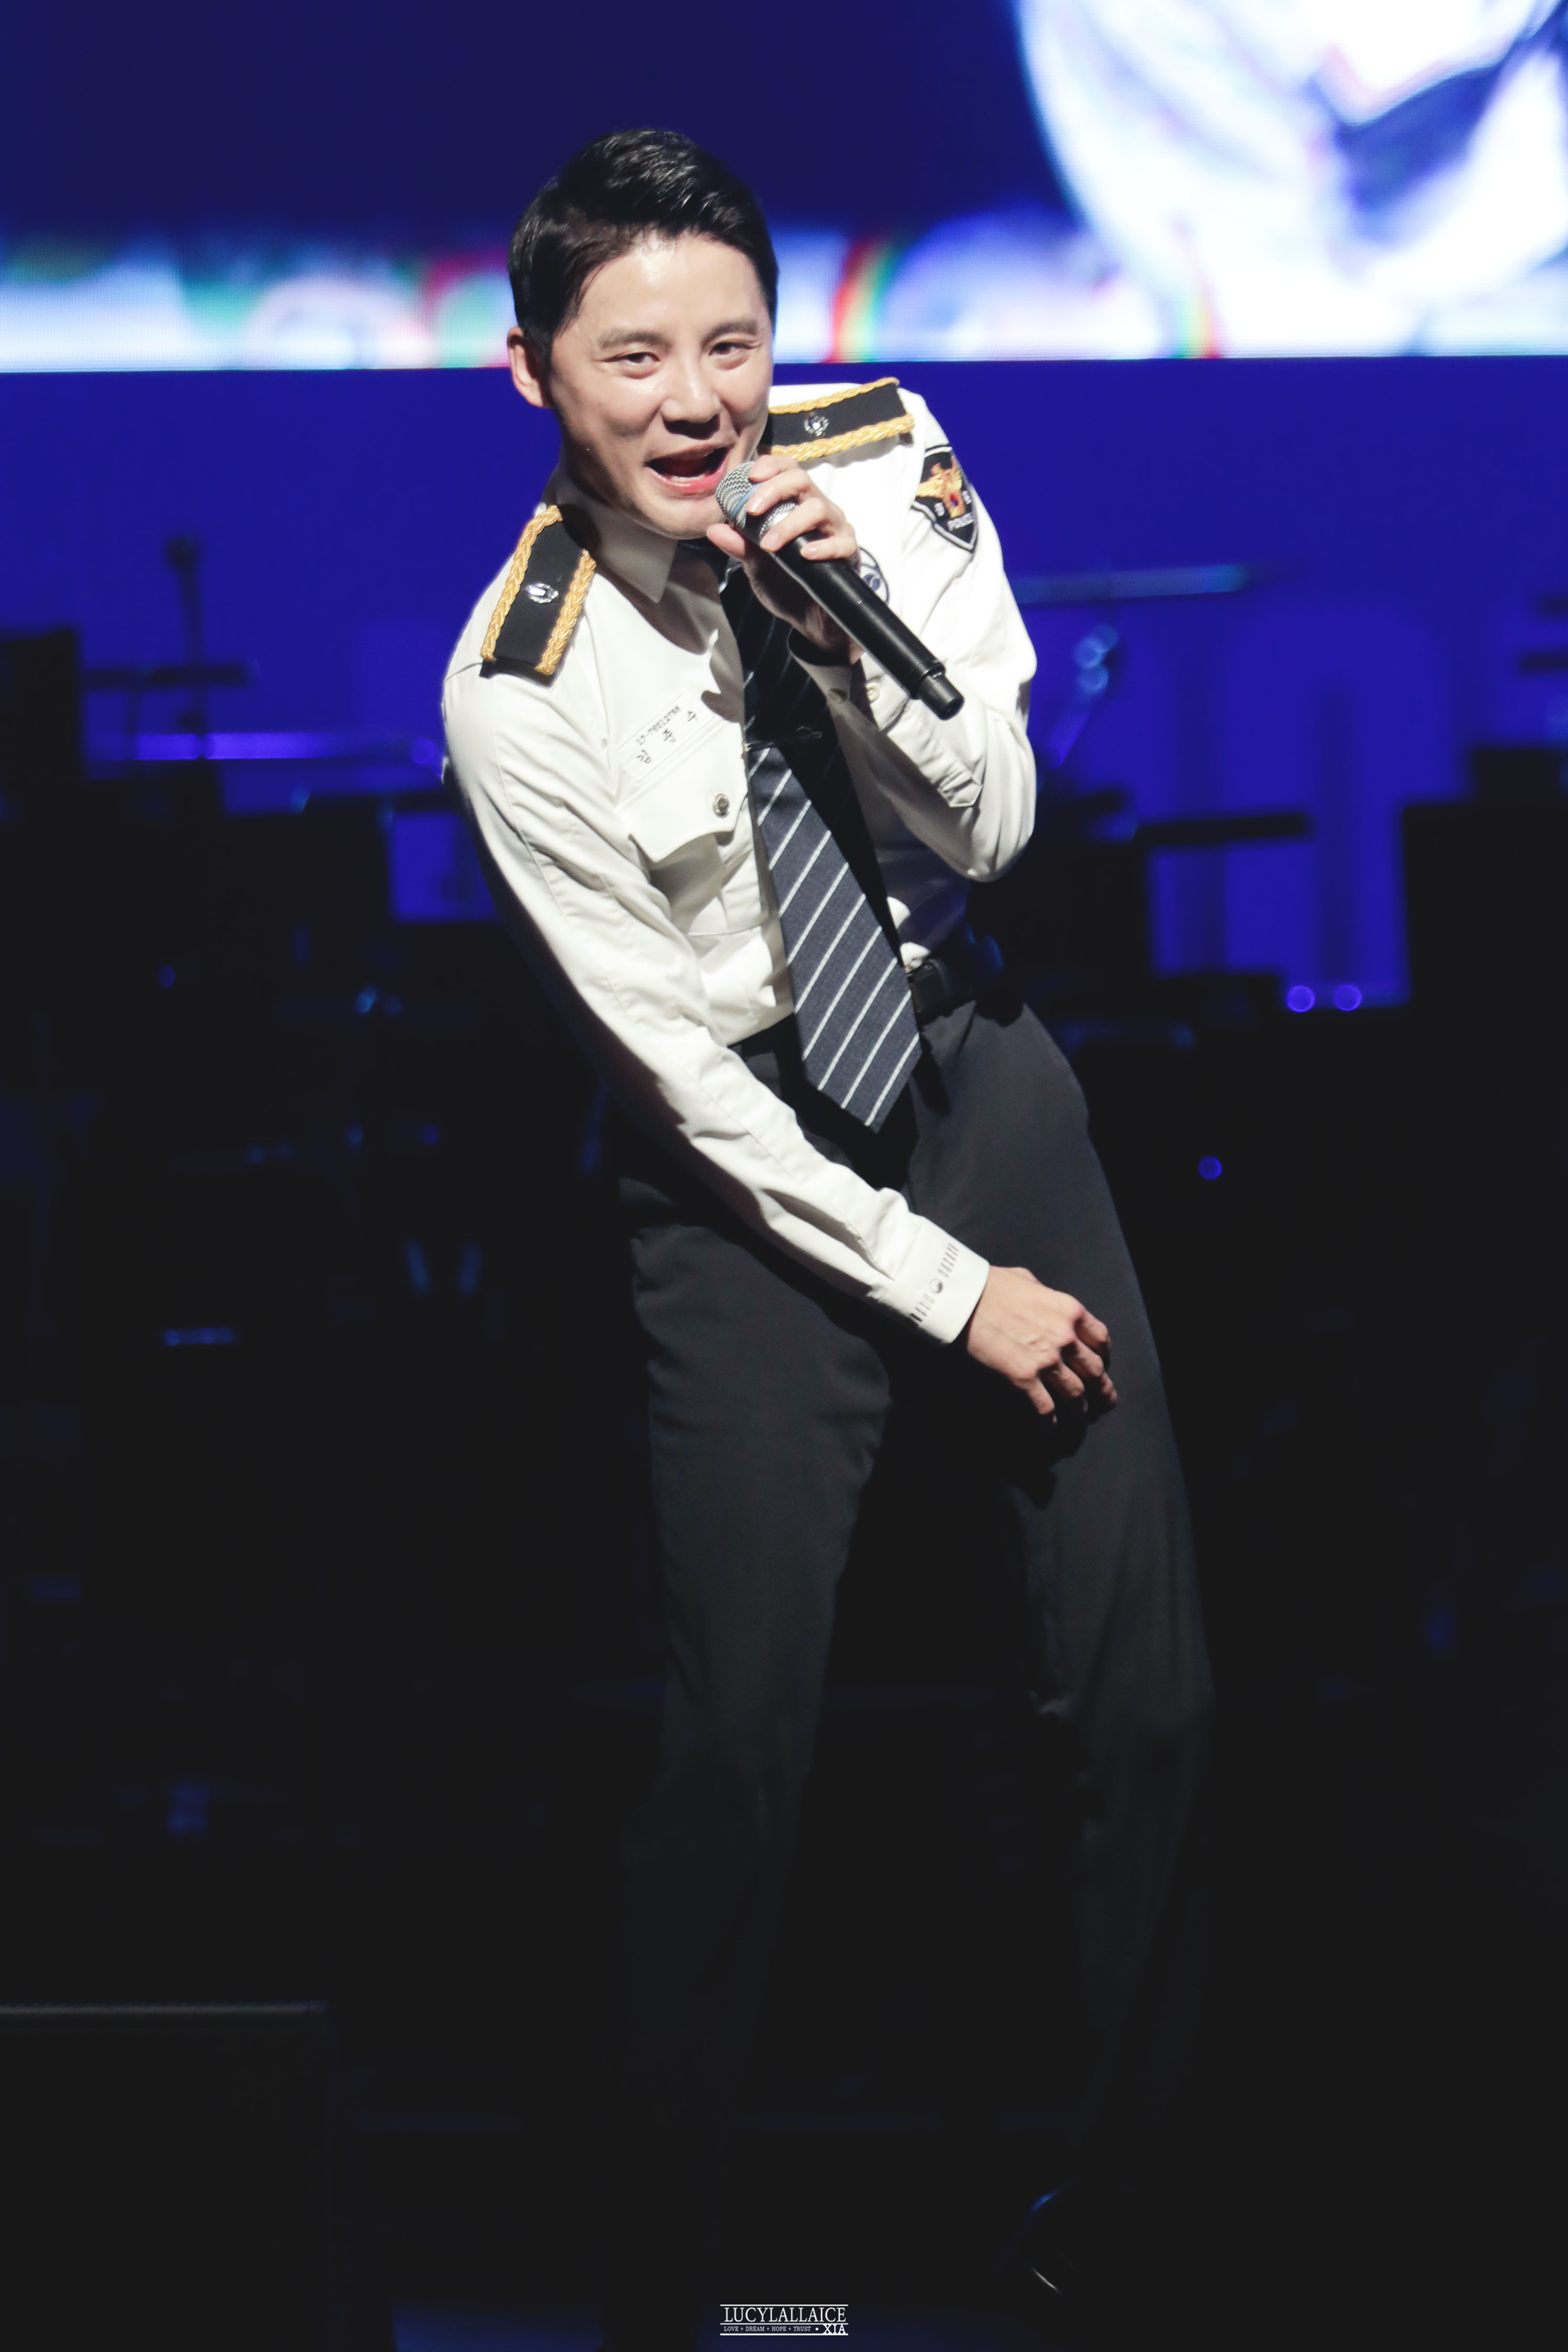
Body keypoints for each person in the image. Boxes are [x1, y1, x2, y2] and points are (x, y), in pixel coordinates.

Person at [442, 127, 1213, 2350]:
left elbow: (1002, 819)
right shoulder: (521, 685)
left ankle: (1122, 2230)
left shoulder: (879, 459)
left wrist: (842, 629)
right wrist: (954, 1295)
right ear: (532, 376)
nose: (699, 401)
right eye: (635, 359)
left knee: (1151, 1692)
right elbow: (683, 1090)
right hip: (751, 1176)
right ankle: (660, 2284)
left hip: (970, 1067)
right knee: (737, 1749)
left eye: (735, 344)